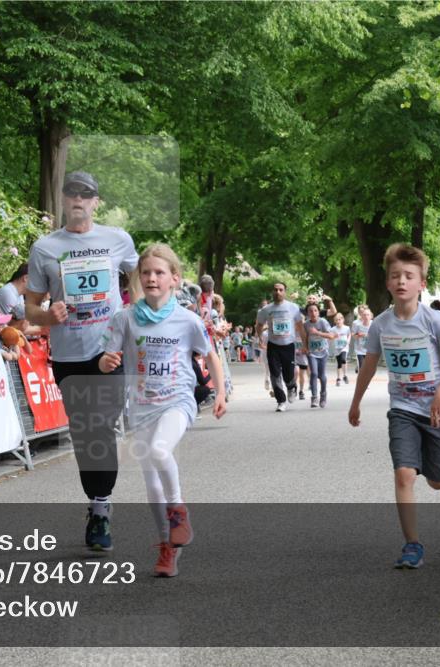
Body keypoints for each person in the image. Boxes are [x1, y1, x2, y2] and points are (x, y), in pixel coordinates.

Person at [25, 170, 138, 552]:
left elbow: (136, 279)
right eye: (71, 193)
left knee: (102, 428)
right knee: (85, 433)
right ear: (63, 200)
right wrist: (46, 317)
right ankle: (96, 502)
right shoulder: (45, 247)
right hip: (69, 352)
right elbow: (30, 307)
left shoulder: (117, 240)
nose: (78, 200)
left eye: (85, 194)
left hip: (109, 348)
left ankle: (102, 509)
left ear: (95, 202)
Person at [99, 243, 225, 577]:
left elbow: (210, 355)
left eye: (159, 272)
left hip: (177, 400)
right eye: (146, 273)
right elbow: (106, 357)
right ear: (138, 278)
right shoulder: (124, 318)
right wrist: (107, 360)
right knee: (151, 484)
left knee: (159, 450)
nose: (152, 278)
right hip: (140, 405)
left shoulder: (187, 320)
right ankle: (167, 546)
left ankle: (179, 511)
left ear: (174, 279)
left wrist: (222, 391)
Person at [348, 243, 440, 569]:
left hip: (439, 411)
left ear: (422, 283)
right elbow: (369, 366)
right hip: (402, 409)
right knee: (404, 475)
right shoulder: (380, 325)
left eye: (409, 276)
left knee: (436, 482)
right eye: (395, 276)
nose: (401, 281)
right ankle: (412, 545)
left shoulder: (434, 321)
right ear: (387, 283)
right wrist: (355, 402)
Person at [256, 282, 308, 412]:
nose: (278, 292)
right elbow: (259, 325)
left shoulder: (293, 307)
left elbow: (300, 327)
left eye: (280, 290)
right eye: (275, 290)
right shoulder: (266, 309)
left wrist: (305, 344)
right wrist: (260, 337)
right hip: (273, 345)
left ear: (284, 292)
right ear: (272, 292)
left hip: (288, 345)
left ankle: (292, 388)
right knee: (274, 374)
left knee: (288, 374)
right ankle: (281, 401)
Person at [304, 303, 335, 408]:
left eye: (315, 310)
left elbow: (331, 336)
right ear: (307, 313)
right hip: (312, 352)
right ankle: (314, 397)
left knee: (322, 375)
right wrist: (305, 348)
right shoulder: (306, 324)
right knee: (314, 373)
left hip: (323, 352)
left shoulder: (323, 322)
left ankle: (323, 395)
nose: (313, 313)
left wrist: (318, 333)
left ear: (318, 312)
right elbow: (305, 337)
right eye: (310, 311)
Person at [331, 312, 351, 385]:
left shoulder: (346, 328)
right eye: (336, 320)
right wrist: (333, 337)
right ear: (335, 321)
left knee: (343, 359)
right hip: (337, 348)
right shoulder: (333, 329)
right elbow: (330, 337)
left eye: (339, 319)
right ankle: (338, 378)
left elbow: (349, 334)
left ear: (343, 320)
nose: (338, 321)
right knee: (339, 363)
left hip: (344, 347)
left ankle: (345, 375)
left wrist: (348, 340)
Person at [351, 307, 372, 373]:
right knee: (362, 367)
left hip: (370, 350)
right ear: (362, 316)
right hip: (360, 350)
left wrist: (365, 335)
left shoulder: (374, 324)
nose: (366, 317)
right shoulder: (357, 325)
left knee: (368, 368)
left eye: (368, 315)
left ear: (371, 316)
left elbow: (377, 336)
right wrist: (358, 335)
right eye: (364, 315)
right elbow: (353, 335)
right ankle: (361, 381)